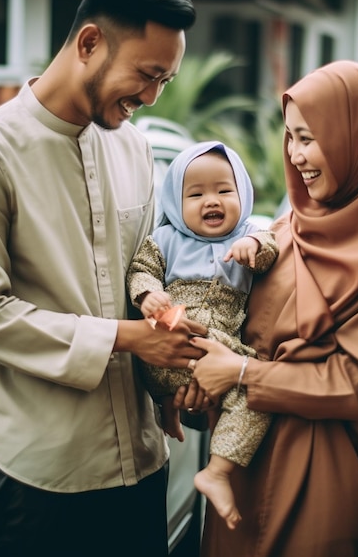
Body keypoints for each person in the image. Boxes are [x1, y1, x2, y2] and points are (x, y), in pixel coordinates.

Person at [0, 0, 208, 557]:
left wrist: (167, 353)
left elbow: (145, 268)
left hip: (142, 463)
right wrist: (127, 339)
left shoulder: (136, 147)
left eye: (166, 79)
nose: (153, 96)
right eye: (147, 74)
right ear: (89, 43)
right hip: (40, 478)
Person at [183, 61, 358, 556]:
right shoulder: (287, 228)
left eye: (309, 138)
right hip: (242, 460)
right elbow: (241, 325)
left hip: (325, 471)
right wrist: (202, 384)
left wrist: (239, 374)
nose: (295, 155)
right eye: (289, 137)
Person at [127, 141, 278, 530]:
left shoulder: (247, 233)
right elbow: (140, 270)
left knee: (255, 397)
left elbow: (272, 247)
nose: (211, 201)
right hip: (171, 338)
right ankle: (168, 405)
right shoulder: (164, 240)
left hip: (211, 355)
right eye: (195, 194)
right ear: (176, 204)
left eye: (224, 191)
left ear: (242, 193)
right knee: (252, 374)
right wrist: (147, 294)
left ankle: (218, 469)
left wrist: (254, 244)